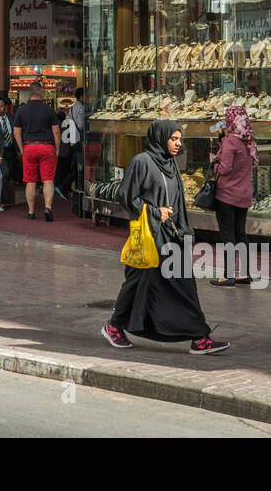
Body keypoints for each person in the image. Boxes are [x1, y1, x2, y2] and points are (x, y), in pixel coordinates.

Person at [101, 121, 229, 354]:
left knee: (183, 284)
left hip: (172, 235)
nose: (178, 143)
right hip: (150, 235)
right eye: (173, 139)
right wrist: (153, 211)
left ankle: (199, 337)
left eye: (180, 139)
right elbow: (125, 195)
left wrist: (184, 230)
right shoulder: (142, 162)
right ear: (160, 138)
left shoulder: (170, 164)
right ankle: (114, 326)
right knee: (138, 282)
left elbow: (177, 201)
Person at [209, 105, 258, 287]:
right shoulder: (248, 140)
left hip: (227, 195)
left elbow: (225, 168)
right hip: (243, 195)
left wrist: (213, 165)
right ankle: (244, 274)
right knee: (240, 234)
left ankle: (228, 275)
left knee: (227, 235)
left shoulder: (231, 141)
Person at [13, 83, 61, 221]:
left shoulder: (21, 110)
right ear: (41, 93)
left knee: (30, 181)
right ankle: (47, 207)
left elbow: (16, 132)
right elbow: (56, 132)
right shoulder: (49, 110)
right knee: (48, 180)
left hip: (29, 147)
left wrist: (22, 149)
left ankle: (31, 212)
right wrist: (57, 149)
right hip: (46, 147)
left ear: (30, 94)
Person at [0, 97, 19, 207]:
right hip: (0, 152)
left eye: (1, 106)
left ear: (6, 107)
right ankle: (1, 200)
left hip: (11, 150)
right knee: (4, 173)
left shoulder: (12, 117)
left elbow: (16, 133)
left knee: (10, 175)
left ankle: (2, 198)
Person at [68, 89, 87, 194]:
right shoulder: (80, 108)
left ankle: (77, 187)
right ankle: (80, 188)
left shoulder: (72, 107)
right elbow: (80, 125)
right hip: (79, 140)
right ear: (81, 96)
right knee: (81, 166)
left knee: (78, 165)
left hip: (73, 139)